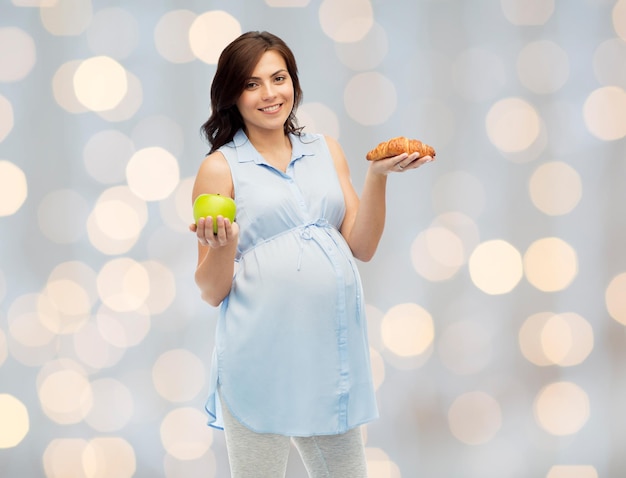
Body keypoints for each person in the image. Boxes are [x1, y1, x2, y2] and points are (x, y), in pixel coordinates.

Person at [191, 31, 434, 478]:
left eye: (278, 78)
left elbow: (362, 246)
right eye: (251, 84)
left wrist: (377, 176)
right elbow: (210, 291)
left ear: (294, 83)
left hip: (327, 356)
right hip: (259, 360)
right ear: (232, 96)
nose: (269, 94)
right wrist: (223, 248)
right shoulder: (220, 168)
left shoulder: (326, 151)